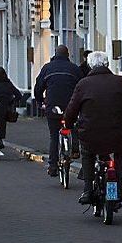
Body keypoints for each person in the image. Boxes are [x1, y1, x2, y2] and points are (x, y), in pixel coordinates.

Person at [63, 51, 122, 205]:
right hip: (116, 133)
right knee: (120, 152)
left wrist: (69, 123)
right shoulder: (121, 82)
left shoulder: (83, 84)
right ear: (107, 64)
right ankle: (120, 186)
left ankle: (87, 190)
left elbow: (72, 109)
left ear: (90, 65)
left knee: (88, 155)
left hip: (89, 133)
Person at [34, 45, 84, 177]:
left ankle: (52, 166)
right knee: (72, 125)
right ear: (68, 55)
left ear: (55, 54)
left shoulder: (47, 68)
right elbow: (83, 86)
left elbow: (38, 86)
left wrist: (39, 102)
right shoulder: (74, 69)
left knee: (54, 136)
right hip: (70, 106)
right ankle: (74, 148)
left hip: (53, 106)